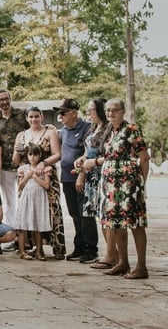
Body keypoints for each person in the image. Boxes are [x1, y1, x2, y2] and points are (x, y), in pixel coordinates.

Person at [94, 99, 150, 279]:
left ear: (122, 111)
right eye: (108, 110)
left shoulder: (131, 129)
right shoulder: (110, 131)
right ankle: (122, 263)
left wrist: (141, 184)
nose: (111, 113)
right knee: (116, 223)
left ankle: (141, 266)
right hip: (111, 186)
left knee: (136, 224)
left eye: (114, 110)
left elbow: (144, 158)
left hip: (129, 185)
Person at [13, 106, 66, 260]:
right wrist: (17, 151)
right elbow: (16, 160)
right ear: (26, 118)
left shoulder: (50, 132)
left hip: (46, 173)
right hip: (27, 175)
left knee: (52, 209)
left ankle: (57, 247)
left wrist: (43, 163)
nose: (33, 119)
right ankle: (29, 247)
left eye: (36, 116)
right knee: (29, 210)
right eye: (31, 116)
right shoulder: (22, 135)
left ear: (42, 116)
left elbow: (57, 154)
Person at [55, 98, 97, 264]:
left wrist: (81, 175)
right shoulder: (64, 131)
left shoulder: (87, 128)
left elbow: (89, 152)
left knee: (85, 214)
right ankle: (79, 246)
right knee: (74, 214)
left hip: (82, 177)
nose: (60, 116)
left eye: (63, 113)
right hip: (66, 178)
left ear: (73, 112)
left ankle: (90, 249)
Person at [77, 98, 117, 270]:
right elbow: (88, 151)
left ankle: (112, 255)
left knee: (106, 217)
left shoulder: (109, 128)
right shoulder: (93, 128)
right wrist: (82, 159)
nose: (89, 113)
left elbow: (109, 155)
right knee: (99, 217)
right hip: (90, 176)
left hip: (102, 176)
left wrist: (93, 162)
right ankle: (111, 254)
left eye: (91, 110)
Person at [0, 89, 29, 252]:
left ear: (10, 99)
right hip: (5, 166)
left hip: (23, 164)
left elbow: (35, 126)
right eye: (1, 100)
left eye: (6, 99)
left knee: (25, 201)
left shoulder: (23, 115)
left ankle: (27, 237)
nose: (4, 102)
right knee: (9, 203)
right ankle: (13, 237)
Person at [15, 144, 51, 261]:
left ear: (40, 155)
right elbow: (20, 185)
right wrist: (27, 176)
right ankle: (22, 251)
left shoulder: (45, 169)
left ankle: (39, 251)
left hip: (39, 199)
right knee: (22, 225)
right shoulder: (23, 168)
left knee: (37, 224)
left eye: (35, 155)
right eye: (30, 154)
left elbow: (46, 185)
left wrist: (35, 177)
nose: (32, 157)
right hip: (26, 198)